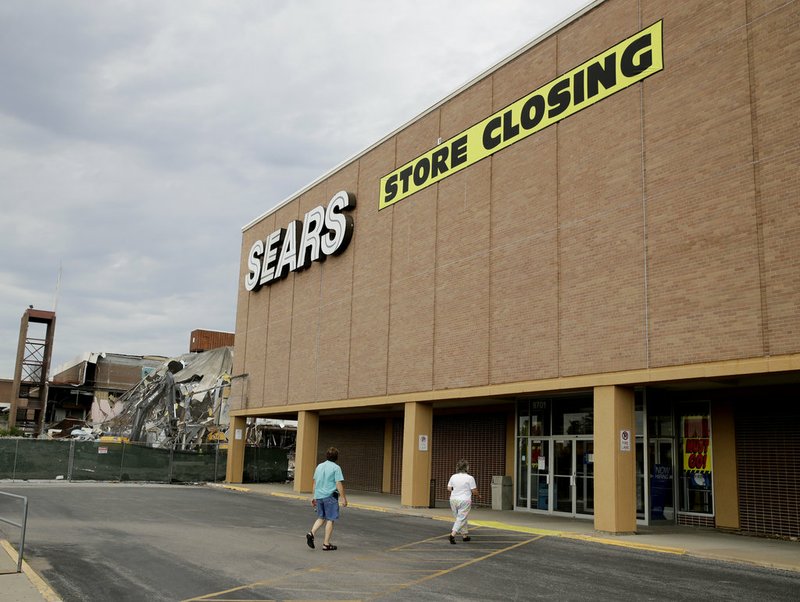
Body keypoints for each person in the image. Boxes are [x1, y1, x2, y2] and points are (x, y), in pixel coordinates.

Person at [306, 446, 347, 551]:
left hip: (319, 496)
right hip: (330, 497)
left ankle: (311, 533)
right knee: (330, 519)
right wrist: (343, 498)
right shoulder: (336, 468)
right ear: (336, 457)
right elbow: (338, 483)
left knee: (321, 517)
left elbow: (315, 482)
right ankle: (326, 543)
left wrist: (314, 497)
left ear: (327, 456)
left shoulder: (319, 466)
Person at [447, 459, 479, 544]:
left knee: (459, 518)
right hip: (465, 500)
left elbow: (449, 488)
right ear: (467, 468)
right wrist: (478, 495)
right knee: (461, 518)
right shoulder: (470, 478)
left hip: (453, 499)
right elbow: (474, 490)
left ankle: (465, 536)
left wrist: (456, 489)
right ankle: (452, 535)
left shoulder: (453, 476)